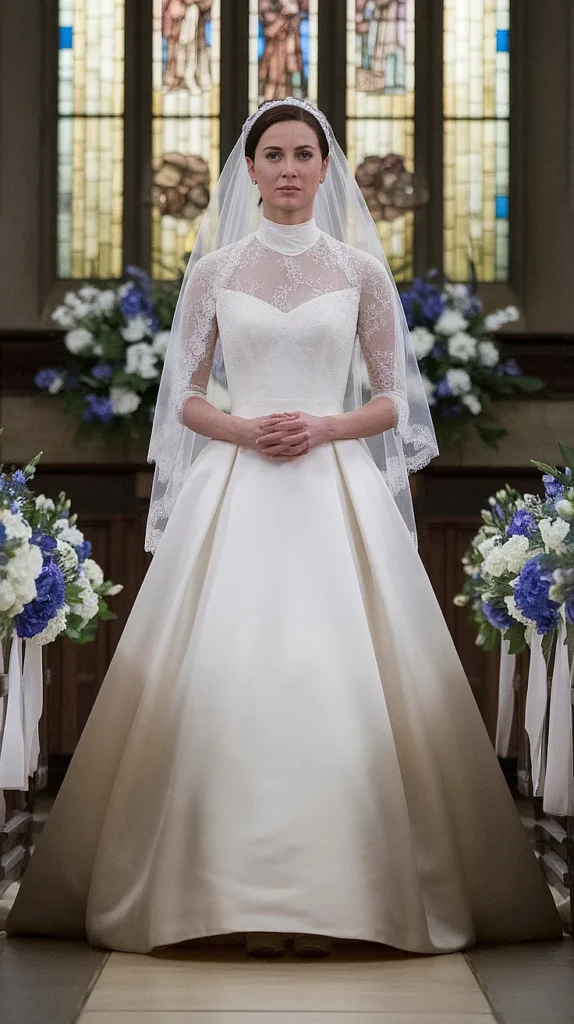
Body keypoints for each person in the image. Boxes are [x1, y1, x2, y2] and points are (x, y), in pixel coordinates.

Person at [6, 98, 562, 959]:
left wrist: (327, 428)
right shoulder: (216, 271)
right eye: (276, 154)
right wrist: (241, 428)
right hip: (237, 485)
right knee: (229, 666)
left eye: (307, 154)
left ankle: (352, 897)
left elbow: (394, 403)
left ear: (326, 168)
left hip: (334, 488)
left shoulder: (361, 274)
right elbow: (183, 398)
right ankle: (216, 893)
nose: (293, 168)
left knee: (339, 671)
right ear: (252, 168)